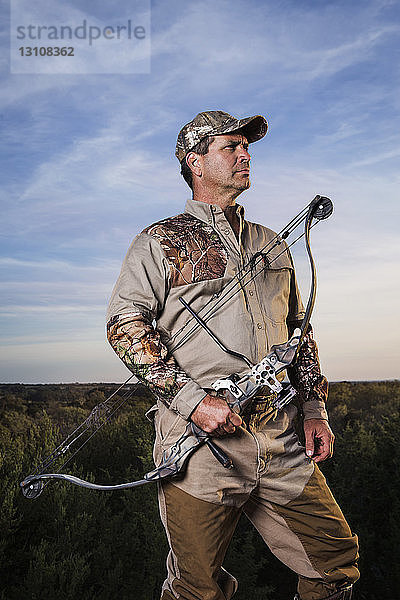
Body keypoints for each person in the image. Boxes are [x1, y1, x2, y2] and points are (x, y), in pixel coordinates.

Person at [106, 111, 359, 600]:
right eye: (232, 146)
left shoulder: (271, 243)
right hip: (200, 447)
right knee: (196, 588)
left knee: (334, 565)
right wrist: (192, 401)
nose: (246, 155)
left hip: (282, 439)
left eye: (248, 146)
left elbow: (299, 334)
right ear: (195, 161)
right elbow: (123, 326)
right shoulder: (159, 241)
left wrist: (313, 407)